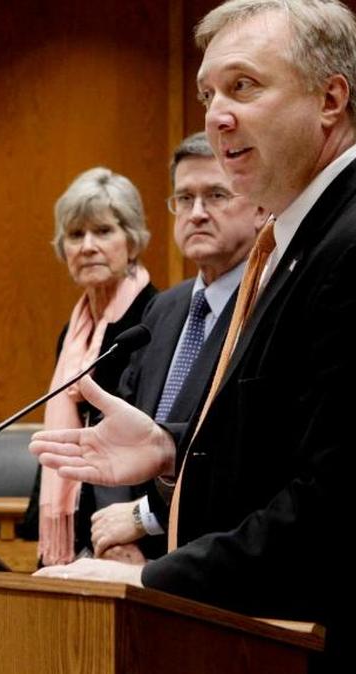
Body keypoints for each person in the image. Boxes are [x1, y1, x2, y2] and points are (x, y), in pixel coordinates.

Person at [30, 1, 356, 670]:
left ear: (330, 99)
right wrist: (171, 450)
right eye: (209, 93)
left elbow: (345, 508)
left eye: (243, 86)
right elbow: (298, 445)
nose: (215, 115)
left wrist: (150, 579)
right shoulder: (304, 240)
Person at [88, 131, 265, 563]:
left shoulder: (269, 305)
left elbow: (248, 461)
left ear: (261, 208)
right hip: (133, 563)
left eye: (216, 195)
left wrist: (144, 518)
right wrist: (119, 537)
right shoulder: (163, 309)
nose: (197, 213)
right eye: (184, 199)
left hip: (220, 565)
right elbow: (118, 428)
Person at [19, 166, 157, 566]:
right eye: (76, 235)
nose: (88, 246)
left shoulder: (155, 317)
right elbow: (64, 429)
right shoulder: (73, 331)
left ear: (131, 241)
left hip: (130, 530)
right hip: (77, 519)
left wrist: (139, 528)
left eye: (103, 231)